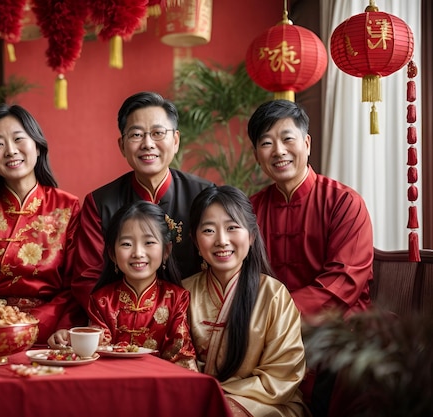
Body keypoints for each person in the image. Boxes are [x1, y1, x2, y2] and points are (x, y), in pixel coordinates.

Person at [247, 99, 374, 416]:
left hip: (335, 326)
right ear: (257, 155)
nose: (278, 151)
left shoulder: (344, 202)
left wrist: (277, 319)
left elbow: (344, 282)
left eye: (287, 139)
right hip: (264, 326)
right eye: (266, 143)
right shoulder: (250, 209)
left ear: (306, 143)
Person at [71, 91, 214, 309]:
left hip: (193, 316)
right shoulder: (100, 203)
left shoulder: (203, 195)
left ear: (175, 141)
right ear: (122, 146)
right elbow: (87, 279)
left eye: (157, 133)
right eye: (136, 135)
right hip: (121, 321)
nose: (147, 144)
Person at [185, 185, 309, 417]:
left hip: (266, 405)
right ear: (195, 240)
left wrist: (216, 396)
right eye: (209, 230)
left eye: (232, 228)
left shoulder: (273, 295)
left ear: (251, 236)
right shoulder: (182, 293)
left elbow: (281, 376)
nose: (222, 240)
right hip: (196, 401)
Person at [0, 104, 84, 343]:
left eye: (19, 139)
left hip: (50, 332)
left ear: (37, 146)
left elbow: (76, 284)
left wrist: (57, 326)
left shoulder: (67, 208)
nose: (10, 151)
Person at [49, 201, 197, 370]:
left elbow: (180, 357)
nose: (138, 253)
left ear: (166, 251)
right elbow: (97, 351)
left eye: (148, 242)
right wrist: (68, 340)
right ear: (112, 253)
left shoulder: (177, 298)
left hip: (160, 385)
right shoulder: (102, 300)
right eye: (127, 244)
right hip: (113, 384)